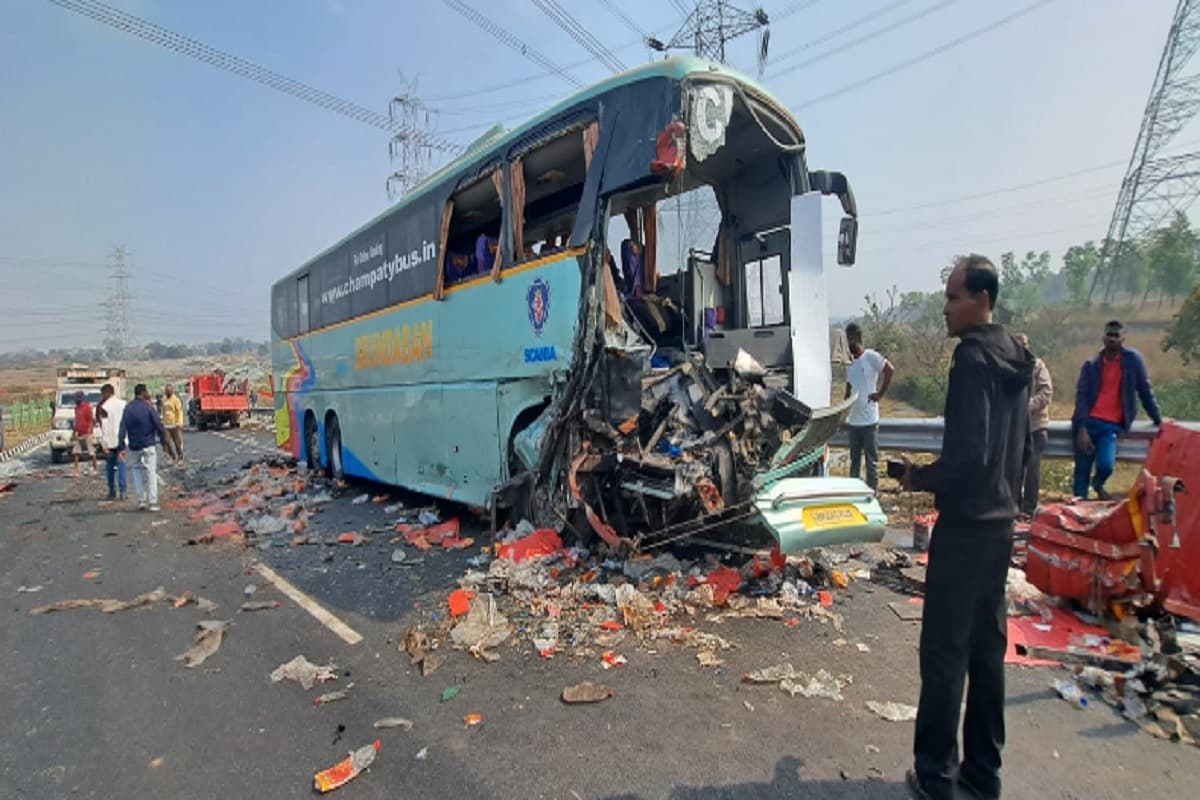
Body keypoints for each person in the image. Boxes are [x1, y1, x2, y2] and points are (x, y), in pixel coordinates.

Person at [900, 254, 1033, 800]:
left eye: (953, 298)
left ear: (981, 299)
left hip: (966, 526)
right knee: (985, 651)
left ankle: (935, 776)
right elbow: (1020, 448)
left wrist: (917, 477)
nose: (946, 309)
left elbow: (968, 455)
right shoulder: (1017, 356)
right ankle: (983, 774)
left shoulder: (972, 361)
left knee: (945, 653)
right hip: (999, 526)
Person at [1072, 320, 1163, 500]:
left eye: (1116, 336)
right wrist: (1081, 428)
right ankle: (1077, 515)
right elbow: (1081, 397)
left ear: (1123, 339)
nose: (1112, 339)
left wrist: (1158, 419)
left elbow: (1145, 390)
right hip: (1088, 424)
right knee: (1081, 475)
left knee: (1106, 465)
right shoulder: (1091, 364)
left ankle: (1097, 483)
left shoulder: (1133, 361)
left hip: (1111, 426)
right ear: (1103, 338)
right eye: (1109, 335)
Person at [843, 322, 894, 492]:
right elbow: (848, 388)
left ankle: (872, 495)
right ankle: (855, 495)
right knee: (854, 463)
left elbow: (889, 370)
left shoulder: (870, 357)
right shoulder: (849, 363)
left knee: (871, 462)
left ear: (855, 339)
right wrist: (843, 409)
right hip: (854, 422)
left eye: (849, 339)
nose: (847, 344)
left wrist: (880, 394)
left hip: (869, 422)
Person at [1016, 333, 1053, 517]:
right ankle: (1015, 507)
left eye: (1024, 344)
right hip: (1016, 429)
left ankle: (1029, 509)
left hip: (1036, 427)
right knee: (1014, 468)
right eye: (1017, 345)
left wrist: (1027, 406)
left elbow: (1046, 392)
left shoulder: (1038, 366)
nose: (1021, 348)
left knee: (1032, 469)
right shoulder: (1010, 368)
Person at [119, 383, 166, 512]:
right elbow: (158, 424)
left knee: (136, 471)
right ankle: (153, 501)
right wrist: (163, 441)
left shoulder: (128, 408)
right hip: (148, 444)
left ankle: (141, 500)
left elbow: (122, 428)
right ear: (143, 392)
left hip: (134, 445)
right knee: (151, 472)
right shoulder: (149, 407)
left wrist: (121, 446)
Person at [95, 383, 127, 501]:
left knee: (109, 467)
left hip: (109, 441)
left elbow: (103, 426)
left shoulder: (104, 407)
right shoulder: (123, 404)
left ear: (106, 393)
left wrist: (103, 443)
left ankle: (112, 491)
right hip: (122, 440)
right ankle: (123, 491)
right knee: (121, 465)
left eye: (102, 394)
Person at [71, 390, 98, 477]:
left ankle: (95, 469)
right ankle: (76, 470)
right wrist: (74, 432)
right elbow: (76, 421)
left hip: (87, 433)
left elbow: (91, 420)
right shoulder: (76, 408)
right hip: (79, 433)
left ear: (81, 399)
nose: (76, 400)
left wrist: (89, 430)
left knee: (91, 452)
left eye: (77, 399)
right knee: (76, 452)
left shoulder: (87, 407)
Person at [161, 384, 185, 466]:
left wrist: (180, 423)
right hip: (166, 425)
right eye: (166, 391)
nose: (167, 392)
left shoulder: (175, 400)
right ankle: (172, 456)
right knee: (166, 442)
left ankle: (180, 458)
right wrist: (162, 420)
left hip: (175, 424)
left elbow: (179, 411)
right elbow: (163, 411)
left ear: (172, 391)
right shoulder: (164, 400)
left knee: (177, 442)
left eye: (169, 390)